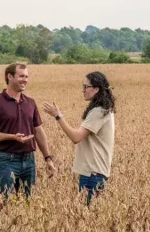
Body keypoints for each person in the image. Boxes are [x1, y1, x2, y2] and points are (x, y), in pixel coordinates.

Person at [0, 62, 57, 208]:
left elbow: (39, 132)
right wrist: (12, 137)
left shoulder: (30, 103)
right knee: (2, 204)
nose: (25, 80)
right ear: (9, 76)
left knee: (28, 205)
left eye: (27, 77)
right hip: (6, 160)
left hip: (29, 161)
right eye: (21, 76)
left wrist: (48, 158)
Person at [42, 71, 116, 206]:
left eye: (85, 87)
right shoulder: (104, 110)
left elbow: (76, 137)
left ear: (96, 89)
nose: (83, 90)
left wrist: (58, 116)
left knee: (88, 216)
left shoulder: (99, 111)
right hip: (96, 173)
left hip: (92, 174)